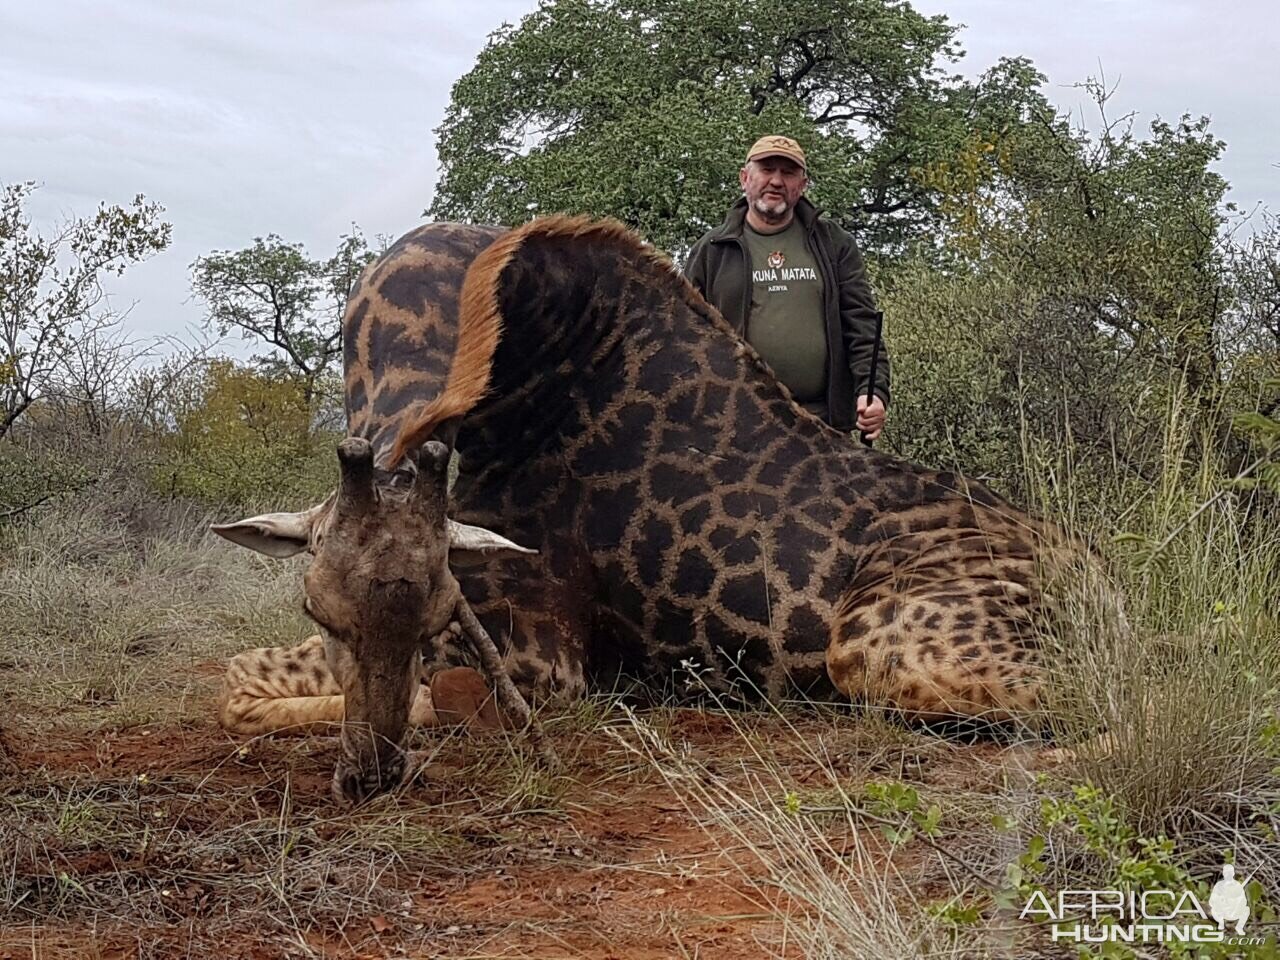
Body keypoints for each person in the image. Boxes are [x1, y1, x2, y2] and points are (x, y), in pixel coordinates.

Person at [684, 135, 889, 440]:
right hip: (736, 426)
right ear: (745, 178)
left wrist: (873, 392)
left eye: (788, 172)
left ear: (802, 185)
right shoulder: (711, 249)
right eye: (767, 170)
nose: (777, 181)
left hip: (822, 425)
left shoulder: (834, 243)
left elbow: (862, 326)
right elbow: (686, 337)